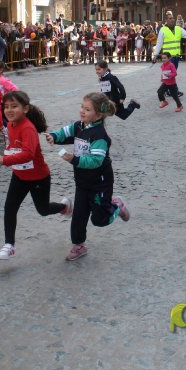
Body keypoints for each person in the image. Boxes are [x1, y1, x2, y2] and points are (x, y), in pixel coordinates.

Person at [44, 92, 130, 261]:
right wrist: (53, 136)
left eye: (87, 109)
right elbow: (65, 132)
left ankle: (117, 206)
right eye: (82, 107)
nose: (82, 111)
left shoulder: (99, 136)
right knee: (79, 215)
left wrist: (73, 159)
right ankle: (78, 245)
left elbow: (96, 161)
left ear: (98, 115)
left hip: (100, 183)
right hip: (82, 182)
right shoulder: (79, 125)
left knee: (100, 220)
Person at [0, 91, 72, 260]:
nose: (9, 110)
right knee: (10, 208)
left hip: (38, 177)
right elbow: (16, 146)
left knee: (43, 210)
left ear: (25, 108)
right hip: (19, 176)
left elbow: (28, 154)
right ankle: (9, 245)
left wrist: (5, 160)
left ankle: (64, 207)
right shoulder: (11, 125)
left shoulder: (28, 128)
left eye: (14, 106)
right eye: (6, 107)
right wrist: (8, 150)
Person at [152, 11, 186, 96]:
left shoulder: (178, 29)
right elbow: (159, 44)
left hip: (176, 56)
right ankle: (171, 91)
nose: (172, 19)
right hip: (168, 58)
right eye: (170, 18)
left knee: (170, 74)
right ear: (166, 20)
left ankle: (165, 91)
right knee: (170, 74)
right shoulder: (163, 30)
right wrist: (155, 55)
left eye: (173, 18)